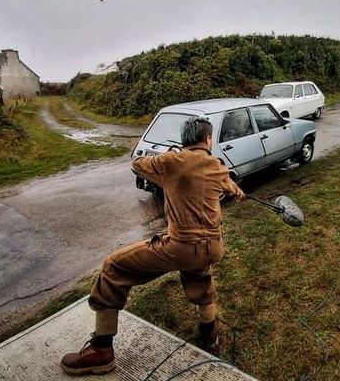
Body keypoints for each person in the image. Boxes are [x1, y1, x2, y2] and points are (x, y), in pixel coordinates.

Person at [60, 117, 246, 375]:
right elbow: (232, 187)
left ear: (185, 141)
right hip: (213, 247)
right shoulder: (217, 166)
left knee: (113, 266)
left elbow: (137, 164)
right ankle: (210, 335)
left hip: (180, 246)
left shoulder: (170, 162)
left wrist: (168, 155)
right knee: (199, 276)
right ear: (207, 140)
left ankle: (101, 350)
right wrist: (237, 192)